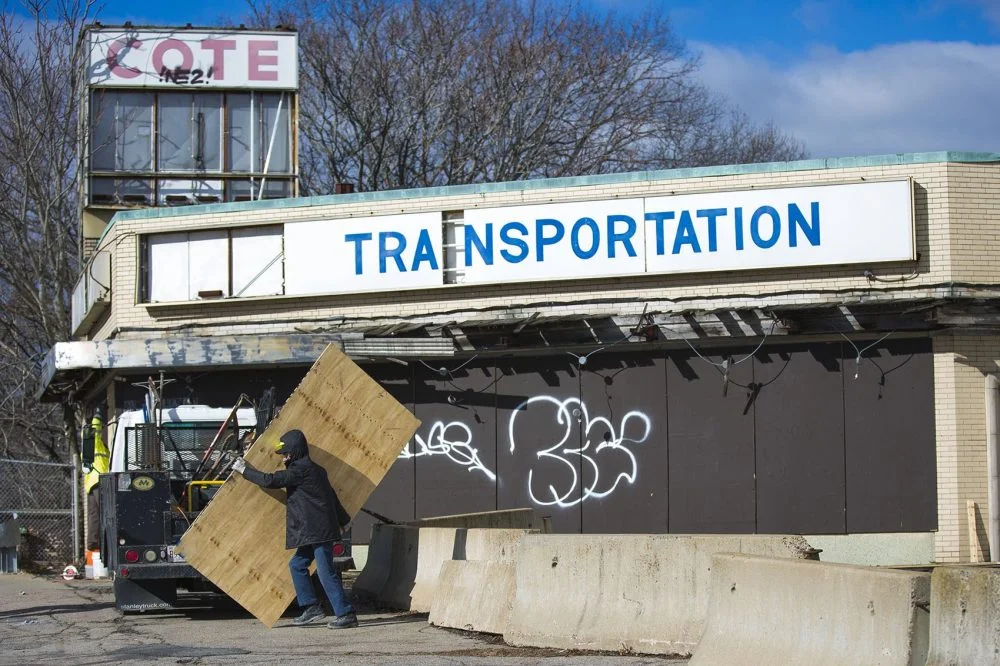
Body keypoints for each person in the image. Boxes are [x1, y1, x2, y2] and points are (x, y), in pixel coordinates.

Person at [233, 429, 358, 629]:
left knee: (326, 572)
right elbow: (331, 496)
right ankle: (311, 608)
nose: (284, 458)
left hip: (318, 531)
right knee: (297, 565)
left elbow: (270, 481)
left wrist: (244, 470)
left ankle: (346, 613)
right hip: (315, 530)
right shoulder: (316, 470)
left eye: (286, 454)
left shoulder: (301, 470)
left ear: (295, 451)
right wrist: (343, 520)